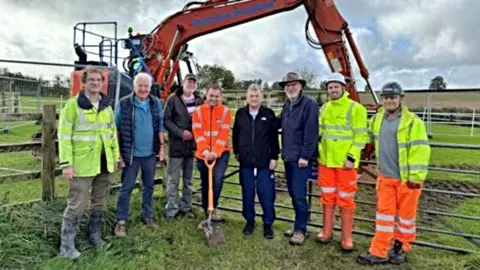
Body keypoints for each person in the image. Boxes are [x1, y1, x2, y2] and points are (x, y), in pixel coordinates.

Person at [357, 82, 430, 265]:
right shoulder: (377, 119)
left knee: (405, 217)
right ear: (382, 100)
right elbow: (369, 138)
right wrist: (363, 150)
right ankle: (379, 251)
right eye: (386, 97)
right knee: (383, 216)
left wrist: (415, 178)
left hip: (407, 180)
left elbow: (420, 151)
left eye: (393, 97)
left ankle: (400, 248)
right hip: (385, 178)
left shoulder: (413, 122)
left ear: (401, 99)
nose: (389, 101)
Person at [57, 66, 121, 259]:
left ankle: (94, 235)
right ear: (83, 82)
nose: (95, 83)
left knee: (99, 202)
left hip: (104, 163)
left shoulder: (106, 106)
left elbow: (112, 134)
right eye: (91, 79)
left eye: (98, 80)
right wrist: (66, 163)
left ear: (102, 83)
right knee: (77, 204)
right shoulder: (72, 106)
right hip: (82, 164)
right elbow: (64, 136)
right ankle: (67, 246)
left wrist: (116, 157)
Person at [316, 73, 368, 252]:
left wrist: (352, 157)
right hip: (326, 162)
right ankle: (327, 232)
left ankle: (346, 238)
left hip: (346, 164)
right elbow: (320, 133)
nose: (333, 90)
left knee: (346, 200)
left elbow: (361, 136)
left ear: (343, 88)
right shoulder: (324, 108)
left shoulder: (356, 109)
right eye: (330, 87)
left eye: (336, 87)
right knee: (327, 197)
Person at [113, 72, 165, 237]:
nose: (143, 89)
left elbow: (160, 126)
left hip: (149, 154)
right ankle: (121, 221)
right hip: (131, 155)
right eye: (140, 85)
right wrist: (119, 154)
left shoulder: (156, 103)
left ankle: (147, 216)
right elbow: (117, 129)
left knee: (148, 187)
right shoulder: (124, 103)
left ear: (150, 88)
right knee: (126, 188)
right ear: (134, 86)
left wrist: (162, 147)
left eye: (146, 86)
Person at [232, 83, 280, 239]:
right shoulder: (240, 114)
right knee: (247, 193)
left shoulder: (269, 113)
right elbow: (236, 135)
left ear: (261, 97)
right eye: (251, 96)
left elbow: (274, 137)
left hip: (265, 162)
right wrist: (237, 152)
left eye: (257, 96)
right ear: (247, 98)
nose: (254, 98)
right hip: (246, 162)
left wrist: (274, 156)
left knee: (266, 194)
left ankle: (268, 224)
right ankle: (249, 221)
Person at [278, 72, 319, 245]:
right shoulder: (288, 105)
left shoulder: (309, 104)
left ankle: (301, 230)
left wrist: (305, 155)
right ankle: (297, 225)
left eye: (293, 84)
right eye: (287, 85)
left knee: (299, 194)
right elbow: (278, 123)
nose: (290, 87)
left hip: (300, 159)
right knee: (294, 194)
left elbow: (311, 132)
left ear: (301, 86)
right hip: (288, 156)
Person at [163, 73, 204, 223]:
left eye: (194, 83)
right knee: (173, 180)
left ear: (196, 85)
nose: (191, 85)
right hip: (176, 146)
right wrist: (180, 133)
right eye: (189, 82)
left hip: (192, 147)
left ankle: (186, 207)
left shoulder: (200, 101)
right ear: (183, 82)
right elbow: (166, 120)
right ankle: (171, 210)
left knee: (188, 180)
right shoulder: (173, 99)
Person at [192, 83, 232, 228]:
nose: (213, 98)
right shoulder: (198, 111)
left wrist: (215, 152)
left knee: (218, 178)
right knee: (205, 182)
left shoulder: (225, 111)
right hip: (203, 154)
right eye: (211, 96)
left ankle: (213, 207)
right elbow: (198, 132)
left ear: (220, 97)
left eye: (216, 96)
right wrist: (204, 151)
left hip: (221, 153)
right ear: (206, 96)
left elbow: (224, 133)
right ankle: (206, 210)